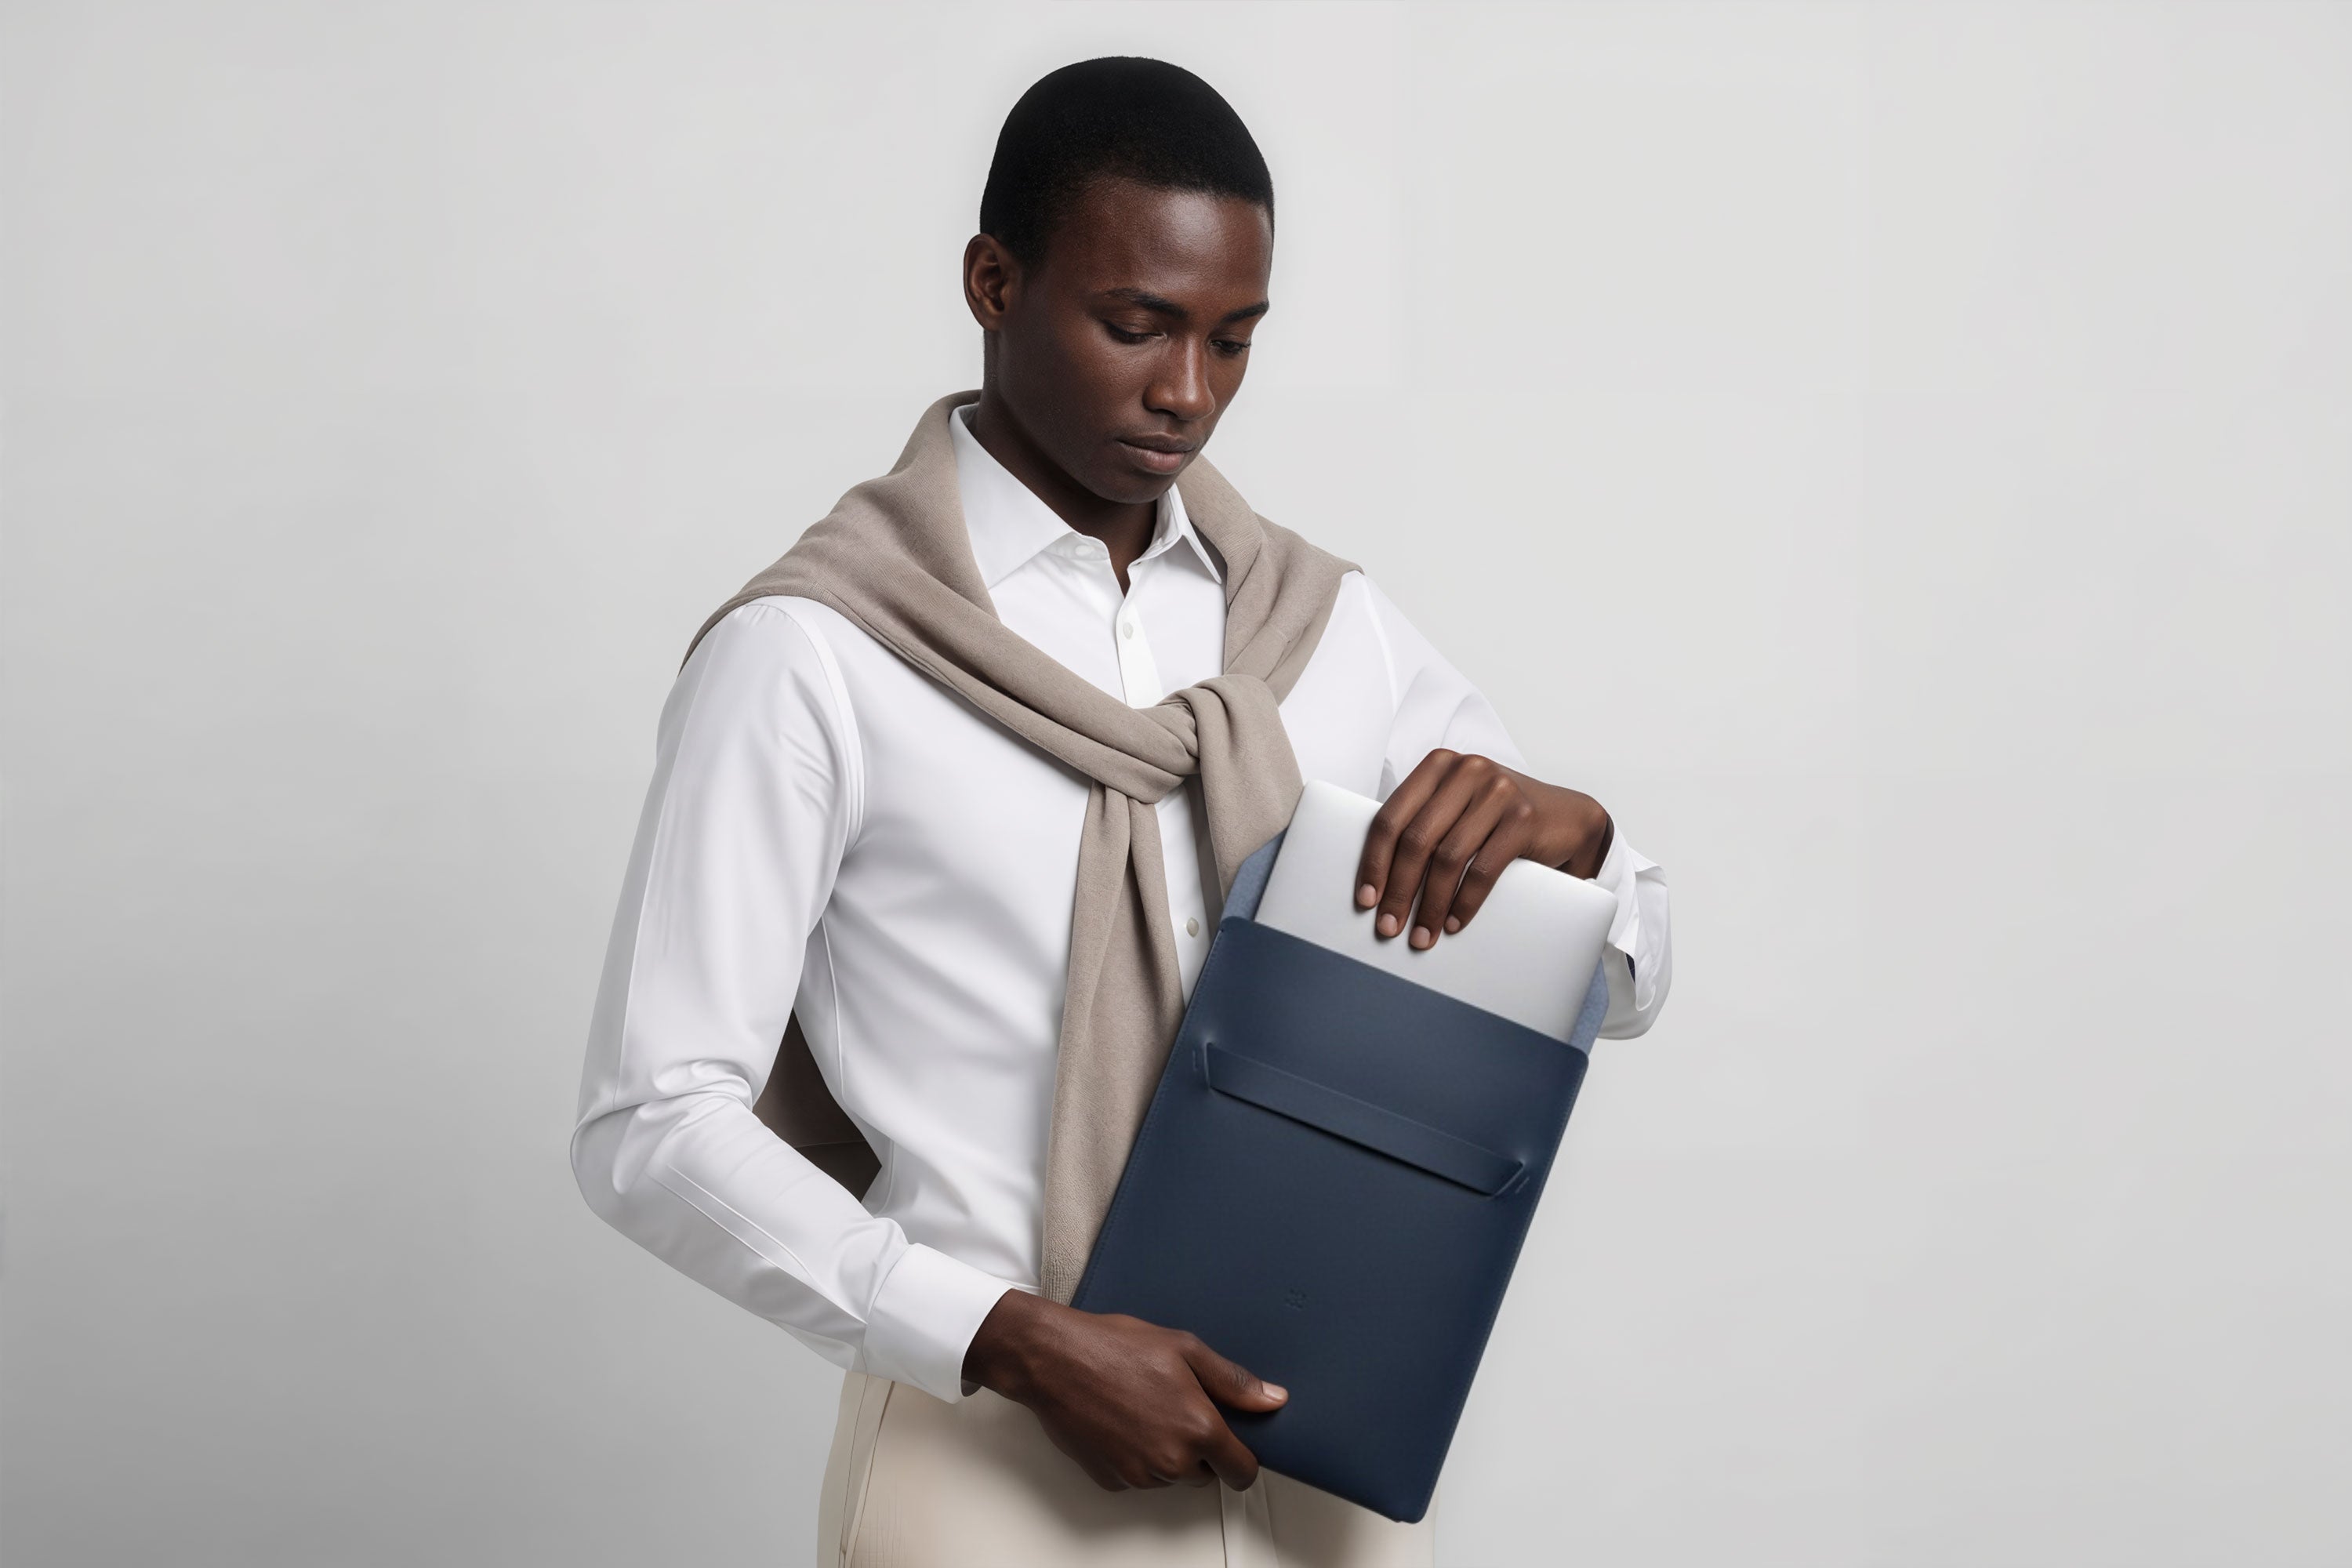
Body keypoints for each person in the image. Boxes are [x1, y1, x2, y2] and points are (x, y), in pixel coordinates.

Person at [572, 56, 1671, 1568]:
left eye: (1234, 341)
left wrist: (1586, 850)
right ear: (993, 280)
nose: (1188, 394)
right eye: (1136, 325)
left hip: (1322, 1460)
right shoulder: (815, 656)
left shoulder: (1321, 628)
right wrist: (1008, 1339)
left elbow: (1605, 988)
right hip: (991, 1453)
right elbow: (654, 1118)